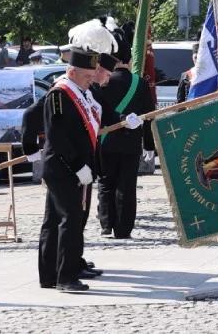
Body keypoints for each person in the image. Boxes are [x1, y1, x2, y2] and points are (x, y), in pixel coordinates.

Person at [38, 19, 116, 292]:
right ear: (72, 71)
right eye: (86, 76)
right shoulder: (60, 95)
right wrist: (78, 165)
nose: (89, 80)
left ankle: (50, 275)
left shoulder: (79, 92)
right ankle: (65, 277)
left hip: (72, 168)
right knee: (68, 220)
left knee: (56, 220)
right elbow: (59, 137)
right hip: (63, 167)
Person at [92, 22, 155, 239]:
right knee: (127, 186)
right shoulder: (140, 83)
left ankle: (106, 224)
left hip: (105, 140)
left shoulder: (100, 83)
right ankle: (123, 228)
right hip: (130, 142)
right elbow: (149, 115)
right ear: (128, 60)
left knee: (106, 181)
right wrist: (149, 144)